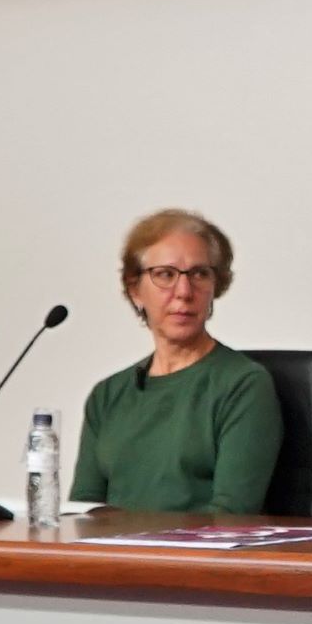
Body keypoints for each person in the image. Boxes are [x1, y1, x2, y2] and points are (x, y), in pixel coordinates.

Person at [70, 209, 283, 513]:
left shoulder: (243, 384)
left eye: (199, 274)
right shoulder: (108, 395)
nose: (184, 292)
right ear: (135, 291)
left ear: (215, 287)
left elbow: (232, 516)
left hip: (197, 559)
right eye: (166, 275)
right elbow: (85, 512)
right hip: (114, 558)